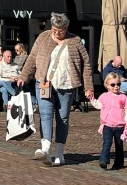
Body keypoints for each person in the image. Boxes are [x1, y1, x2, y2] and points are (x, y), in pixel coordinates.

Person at [17, 12, 94, 166]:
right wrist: (24, 76)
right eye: (54, 29)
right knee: (45, 114)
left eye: (61, 30)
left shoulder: (75, 41)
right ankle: (45, 148)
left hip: (66, 85)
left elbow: (86, 64)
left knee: (62, 118)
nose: (57, 33)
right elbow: (32, 58)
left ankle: (59, 152)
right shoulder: (43, 37)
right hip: (45, 83)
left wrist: (89, 87)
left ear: (66, 28)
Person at [90, 72, 127, 170]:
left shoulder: (123, 97)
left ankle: (118, 163)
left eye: (118, 84)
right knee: (107, 143)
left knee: (119, 145)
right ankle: (103, 160)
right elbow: (98, 105)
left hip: (120, 126)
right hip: (107, 125)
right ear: (107, 85)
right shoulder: (104, 96)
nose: (116, 87)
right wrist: (92, 99)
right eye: (113, 85)